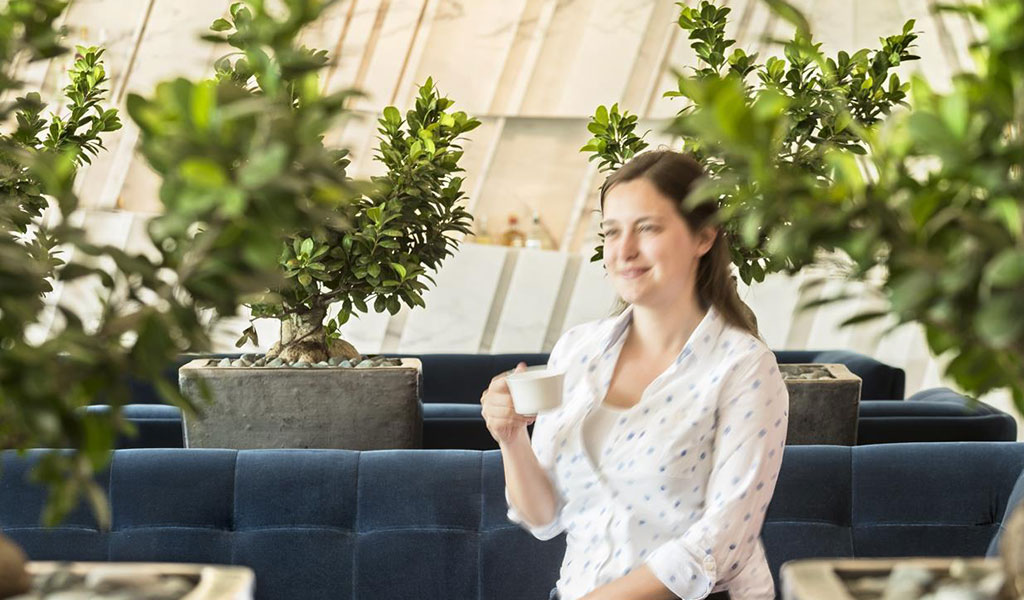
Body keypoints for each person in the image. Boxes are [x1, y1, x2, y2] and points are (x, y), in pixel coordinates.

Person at [479, 150, 789, 600]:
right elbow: (544, 518)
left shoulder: (743, 366)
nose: (623, 251)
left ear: (703, 236)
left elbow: (721, 543)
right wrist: (510, 436)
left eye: (647, 228)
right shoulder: (577, 351)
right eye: (611, 231)